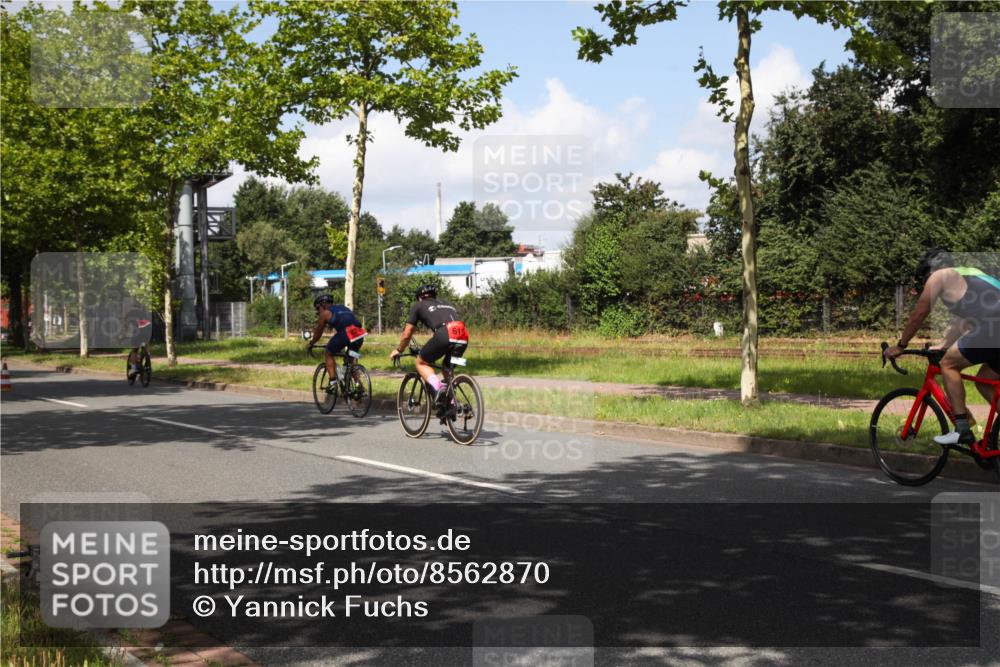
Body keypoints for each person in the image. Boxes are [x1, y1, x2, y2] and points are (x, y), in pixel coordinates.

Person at [885, 249, 1000, 445]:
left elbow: (919, 313)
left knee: (948, 364)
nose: (926, 284)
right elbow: (963, 323)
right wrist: (943, 344)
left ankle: (962, 427)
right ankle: (989, 446)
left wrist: (901, 345)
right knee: (984, 380)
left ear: (929, 271)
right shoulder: (969, 273)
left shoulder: (939, 275)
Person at [389, 284, 469, 406]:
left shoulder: (419, 305)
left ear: (419, 298)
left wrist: (399, 350)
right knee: (447, 369)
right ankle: (452, 404)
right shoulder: (446, 303)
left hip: (445, 334)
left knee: (420, 362)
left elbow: (407, 333)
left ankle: (438, 387)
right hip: (463, 336)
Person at [306, 295, 366, 389]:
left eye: (318, 308)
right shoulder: (343, 308)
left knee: (329, 352)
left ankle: (332, 383)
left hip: (347, 332)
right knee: (350, 359)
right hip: (359, 333)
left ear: (323, 305)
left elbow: (318, 332)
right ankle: (358, 385)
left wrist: (311, 343)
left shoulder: (325, 313)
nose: (318, 312)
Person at [126, 308, 152, 379]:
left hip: (137, 334)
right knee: (146, 342)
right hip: (147, 332)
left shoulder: (129, 315)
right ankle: (148, 355)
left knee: (134, 350)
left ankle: (133, 369)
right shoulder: (144, 313)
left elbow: (128, 327)